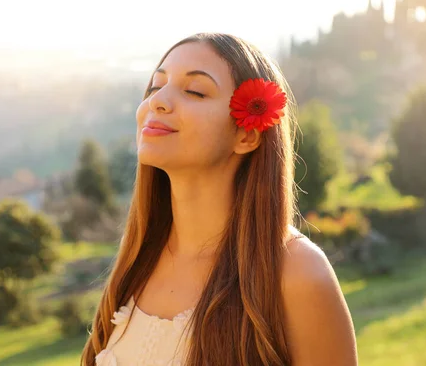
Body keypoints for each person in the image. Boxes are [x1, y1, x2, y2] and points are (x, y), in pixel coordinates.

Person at [81, 33, 358, 365]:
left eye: (195, 91)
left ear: (247, 134)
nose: (157, 101)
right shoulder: (139, 256)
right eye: (156, 86)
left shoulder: (297, 274)